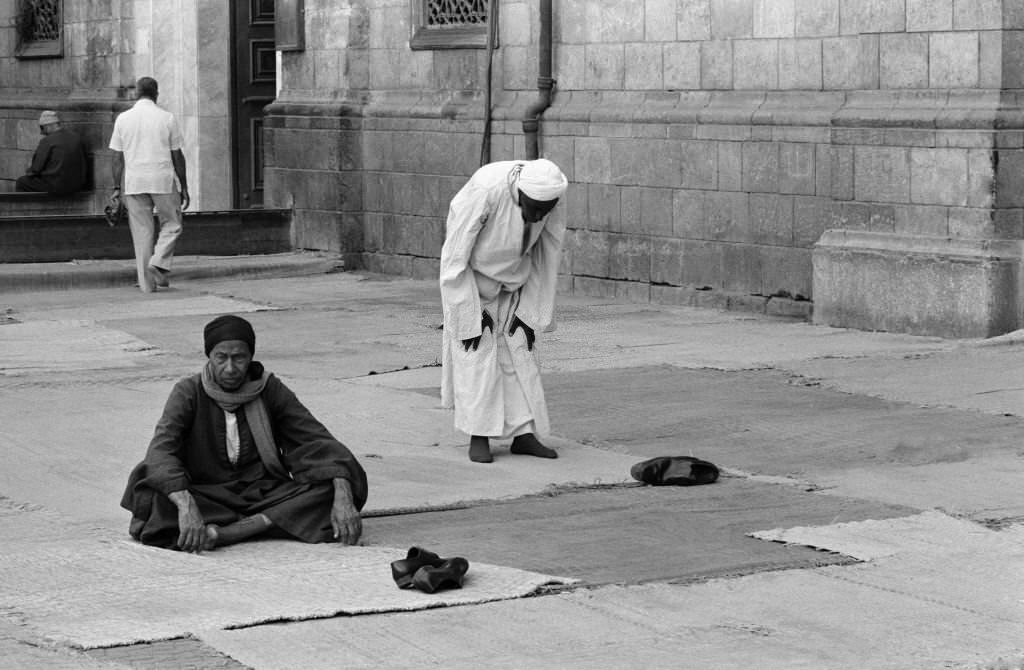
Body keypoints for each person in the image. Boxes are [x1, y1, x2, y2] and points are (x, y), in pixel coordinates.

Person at [121, 315, 368, 553]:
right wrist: (186, 504)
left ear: (250, 357)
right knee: (152, 494)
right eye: (222, 358)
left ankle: (228, 533)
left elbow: (314, 439)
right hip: (208, 494)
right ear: (209, 356)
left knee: (333, 487)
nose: (230, 368)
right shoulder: (188, 392)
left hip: (264, 493)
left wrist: (343, 494)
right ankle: (270, 523)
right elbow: (162, 450)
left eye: (239, 358)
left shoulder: (269, 388)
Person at [439, 158, 569, 463]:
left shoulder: (555, 197)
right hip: (473, 284)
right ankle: (479, 435)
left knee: (521, 356)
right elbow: (455, 254)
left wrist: (532, 311)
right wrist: (468, 312)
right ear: (520, 192)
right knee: (477, 360)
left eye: (543, 211)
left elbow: (549, 252)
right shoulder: (487, 188)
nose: (536, 216)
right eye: (532, 208)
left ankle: (523, 434)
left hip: (516, 284)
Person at [108, 76, 190, 293]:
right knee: (172, 224)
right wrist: (184, 186)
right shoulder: (167, 118)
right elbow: (177, 156)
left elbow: (116, 158)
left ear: (136, 93)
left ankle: (147, 285)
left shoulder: (123, 119)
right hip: (161, 179)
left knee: (142, 233)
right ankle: (159, 262)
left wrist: (117, 187)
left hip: (134, 182)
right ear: (157, 94)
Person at [15, 110, 88, 194]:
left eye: (42, 128)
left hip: (56, 186)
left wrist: (29, 172)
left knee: (21, 182)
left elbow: (36, 169)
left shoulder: (47, 141)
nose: (41, 132)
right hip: (77, 185)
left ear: (48, 126)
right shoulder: (76, 138)